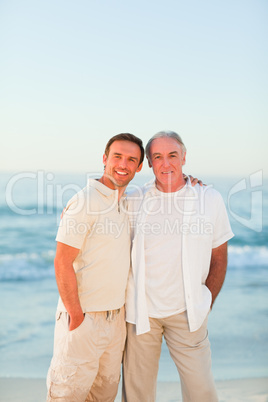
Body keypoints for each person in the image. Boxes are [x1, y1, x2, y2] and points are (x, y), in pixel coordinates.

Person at [122, 131, 234, 402]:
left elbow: (218, 256)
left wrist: (205, 302)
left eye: (172, 155)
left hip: (188, 314)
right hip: (141, 314)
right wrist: (74, 208)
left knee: (202, 392)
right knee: (137, 395)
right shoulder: (134, 200)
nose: (166, 163)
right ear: (149, 163)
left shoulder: (209, 199)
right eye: (157, 157)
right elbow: (101, 214)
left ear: (184, 157)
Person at [46, 133, 144, 401]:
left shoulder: (127, 201)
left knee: (102, 397)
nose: (123, 164)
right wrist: (77, 317)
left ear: (139, 167)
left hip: (116, 323)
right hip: (84, 320)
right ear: (105, 159)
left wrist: (192, 183)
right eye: (117, 156)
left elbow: (165, 190)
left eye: (131, 159)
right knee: (67, 396)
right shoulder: (84, 201)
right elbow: (62, 261)